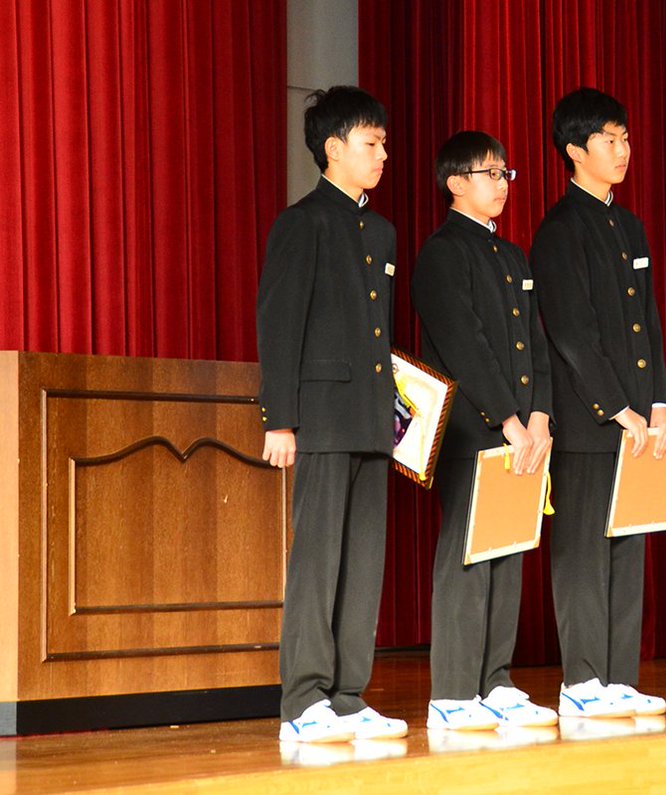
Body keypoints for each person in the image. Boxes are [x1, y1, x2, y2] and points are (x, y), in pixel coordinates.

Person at [257, 85, 407, 743]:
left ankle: (347, 693)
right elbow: (280, 322)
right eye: (370, 143)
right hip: (319, 416)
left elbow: (381, 336)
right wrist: (279, 419)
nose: (382, 154)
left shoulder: (381, 230)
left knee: (363, 560)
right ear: (333, 147)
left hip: (371, 418)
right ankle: (302, 700)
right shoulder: (303, 221)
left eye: (382, 143)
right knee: (319, 560)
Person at [530, 87, 666, 719]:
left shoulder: (630, 224)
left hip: (642, 419)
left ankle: (618, 677)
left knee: (627, 545)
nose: (623, 150)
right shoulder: (560, 229)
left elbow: (648, 323)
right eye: (609, 140)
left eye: (625, 138)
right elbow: (570, 331)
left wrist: (662, 403)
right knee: (583, 549)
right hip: (592, 421)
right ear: (574, 151)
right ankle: (581, 682)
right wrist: (619, 408)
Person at [411, 131, 557, 731]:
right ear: (455, 183)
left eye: (504, 173)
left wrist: (540, 415)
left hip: (524, 426)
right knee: (469, 552)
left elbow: (537, 343)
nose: (501, 184)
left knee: (508, 547)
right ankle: (452, 692)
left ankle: (494, 680)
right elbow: (463, 346)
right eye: (489, 173)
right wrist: (507, 418)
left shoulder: (513, 255)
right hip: (477, 426)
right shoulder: (443, 252)